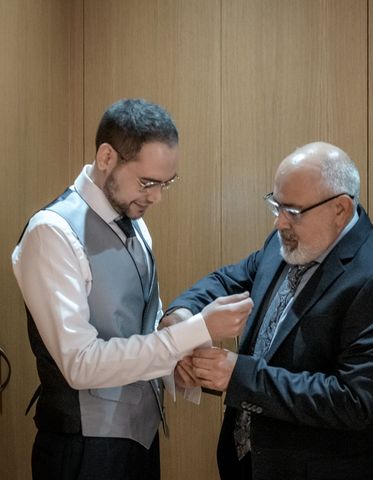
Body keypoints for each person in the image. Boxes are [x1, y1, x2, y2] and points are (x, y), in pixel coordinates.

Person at [11, 98, 253, 480]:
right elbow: (80, 363)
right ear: (107, 157)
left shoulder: (134, 219)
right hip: (83, 448)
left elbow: (142, 320)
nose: (157, 197)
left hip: (141, 436)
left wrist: (176, 363)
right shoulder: (52, 232)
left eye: (165, 183)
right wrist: (200, 328)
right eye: (148, 182)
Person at [164, 141, 373, 480]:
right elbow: (228, 279)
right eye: (276, 205)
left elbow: (353, 401)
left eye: (293, 212)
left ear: (340, 209)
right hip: (248, 463)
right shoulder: (287, 242)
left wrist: (237, 375)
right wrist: (182, 318)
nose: (279, 223)